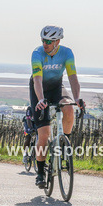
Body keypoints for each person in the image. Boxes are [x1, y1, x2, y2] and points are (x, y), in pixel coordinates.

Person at [30, 26, 85, 188]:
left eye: (48, 41)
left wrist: (77, 98)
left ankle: (64, 141)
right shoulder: (37, 53)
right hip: (39, 90)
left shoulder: (67, 53)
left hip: (56, 88)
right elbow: (37, 80)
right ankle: (40, 172)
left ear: (57, 41)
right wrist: (40, 100)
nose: (44, 44)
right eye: (43, 40)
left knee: (69, 108)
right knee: (44, 134)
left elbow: (73, 77)